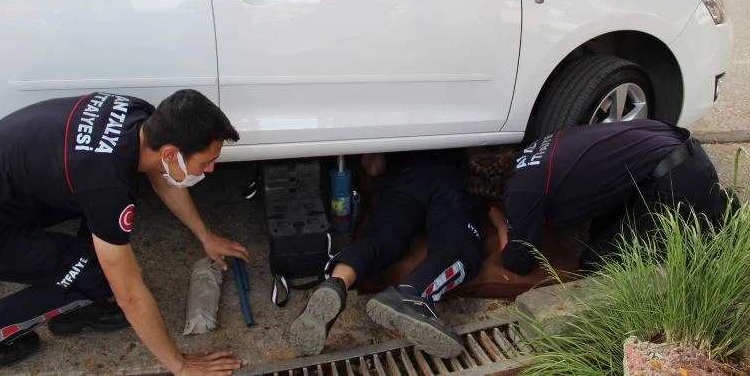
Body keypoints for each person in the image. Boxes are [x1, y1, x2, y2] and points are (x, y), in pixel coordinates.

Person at [0, 89, 250, 374]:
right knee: (101, 275)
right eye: (207, 161)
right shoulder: (106, 183)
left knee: (104, 233)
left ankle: (76, 307)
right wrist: (180, 366)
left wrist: (205, 236)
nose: (210, 169)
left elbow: (160, 174)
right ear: (171, 153)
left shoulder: (140, 116)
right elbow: (129, 294)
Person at [289, 149, 482, 359]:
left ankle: (336, 283)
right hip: (445, 182)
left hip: (402, 184)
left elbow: (373, 168)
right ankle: (411, 294)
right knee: (459, 246)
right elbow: (477, 158)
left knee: (379, 240)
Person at [487, 120, 730, 276]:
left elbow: (519, 262)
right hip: (685, 154)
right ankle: (711, 206)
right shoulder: (533, 151)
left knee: (596, 264)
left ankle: (709, 228)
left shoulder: (521, 191)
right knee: (600, 230)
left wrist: (500, 223)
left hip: (678, 182)